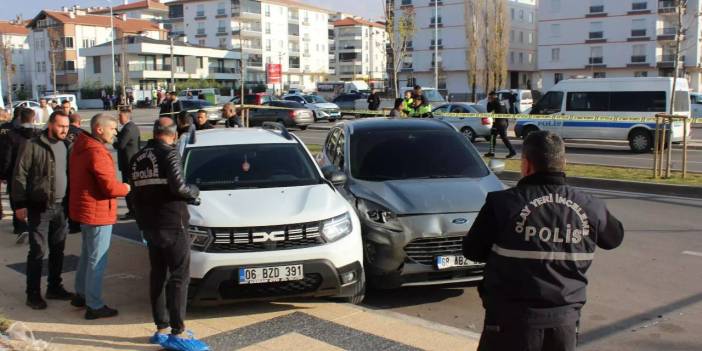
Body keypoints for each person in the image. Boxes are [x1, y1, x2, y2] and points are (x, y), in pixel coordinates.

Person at [463, 131, 624, 351]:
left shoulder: (502, 204)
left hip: (508, 323)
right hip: (564, 322)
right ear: (563, 163)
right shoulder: (590, 206)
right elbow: (614, 238)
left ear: (526, 165)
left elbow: (472, 251)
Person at [130, 117, 208, 351]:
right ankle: (178, 332)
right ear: (173, 135)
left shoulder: (138, 158)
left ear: (154, 133)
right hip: (172, 223)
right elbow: (180, 188)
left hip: (149, 224)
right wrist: (194, 191)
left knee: (158, 275)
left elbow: (133, 194)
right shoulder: (169, 153)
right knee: (179, 276)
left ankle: (161, 328)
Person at [69, 114, 130, 320]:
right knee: (97, 260)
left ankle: (81, 294)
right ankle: (94, 305)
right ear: (99, 129)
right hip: (98, 212)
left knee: (87, 255)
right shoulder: (97, 152)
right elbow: (110, 187)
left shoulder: (81, 147)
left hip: (86, 210)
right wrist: (127, 188)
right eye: (113, 128)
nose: (116, 132)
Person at [12, 111, 74, 310]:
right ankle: (33, 294)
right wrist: (19, 204)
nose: (64, 130)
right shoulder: (33, 145)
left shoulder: (66, 145)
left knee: (58, 249)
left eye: (66, 126)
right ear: (50, 125)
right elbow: (19, 175)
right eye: (60, 126)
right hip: (40, 207)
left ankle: (54, 287)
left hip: (61, 207)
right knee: (38, 251)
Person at [2, 108, 39, 243]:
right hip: (34, 174)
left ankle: (20, 227)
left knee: (16, 200)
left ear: (19, 119)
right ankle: (34, 227)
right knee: (33, 200)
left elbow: (7, 157)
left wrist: (4, 174)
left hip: (15, 173)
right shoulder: (39, 134)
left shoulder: (11, 135)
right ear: (33, 118)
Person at [114, 109, 140, 220]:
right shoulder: (132, 126)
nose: (118, 118)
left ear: (126, 116)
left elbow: (120, 145)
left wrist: (112, 140)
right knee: (132, 188)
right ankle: (134, 210)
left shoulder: (128, 129)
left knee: (128, 188)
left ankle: (132, 211)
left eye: (120, 116)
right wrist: (118, 133)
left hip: (127, 163)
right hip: (132, 162)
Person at [484, 91, 516, 159]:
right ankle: (511, 151)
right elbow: (506, 113)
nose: (489, 98)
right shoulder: (502, 102)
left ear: (492, 96)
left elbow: (488, 110)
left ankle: (492, 152)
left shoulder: (494, 102)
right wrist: (506, 123)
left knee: (493, 137)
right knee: (502, 138)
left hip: (497, 123)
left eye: (490, 97)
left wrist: (489, 102)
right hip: (503, 122)